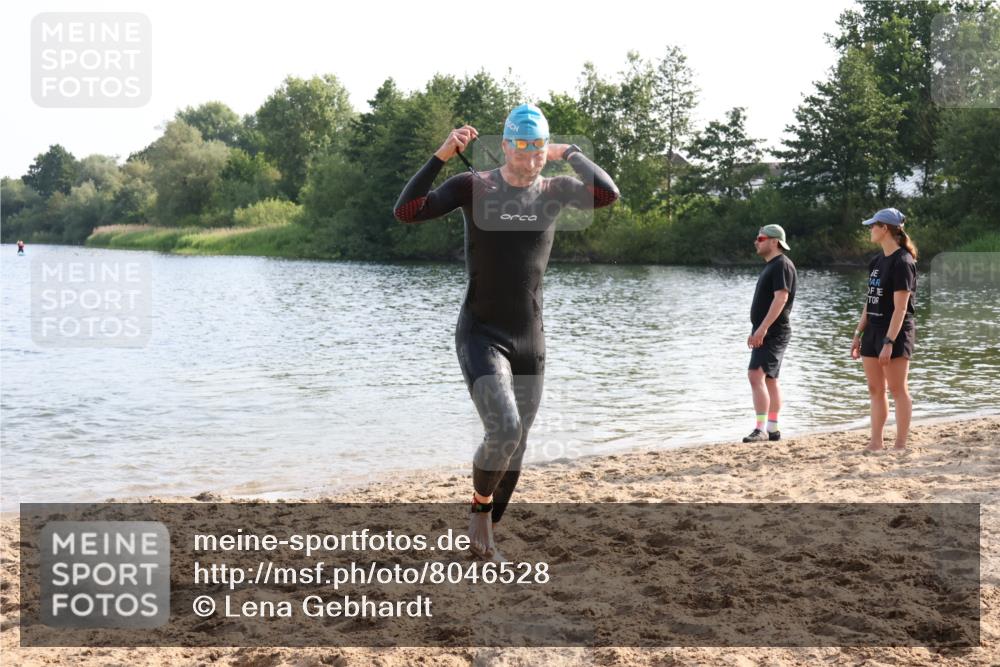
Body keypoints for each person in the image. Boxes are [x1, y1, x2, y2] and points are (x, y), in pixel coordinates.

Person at [393, 104, 619, 559]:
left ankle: (486, 524)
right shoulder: (474, 186)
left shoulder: (555, 190)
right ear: (506, 144)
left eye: (538, 146)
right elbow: (409, 210)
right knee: (505, 429)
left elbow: (607, 194)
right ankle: (479, 517)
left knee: (517, 445)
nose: (531, 154)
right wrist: (440, 155)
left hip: (529, 339)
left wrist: (571, 152)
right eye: (522, 144)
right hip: (482, 331)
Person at [850, 208, 918, 451]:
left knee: (898, 389)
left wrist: (889, 342)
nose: (870, 229)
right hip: (873, 330)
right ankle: (876, 443)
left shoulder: (903, 262)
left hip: (896, 332)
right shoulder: (876, 262)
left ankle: (900, 444)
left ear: (885, 229)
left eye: (873, 225)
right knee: (875, 389)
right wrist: (858, 334)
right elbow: (870, 301)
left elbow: (900, 309)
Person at [743, 224, 797, 443]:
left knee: (756, 375)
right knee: (770, 379)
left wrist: (762, 329)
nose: (756, 241)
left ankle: (760, 429)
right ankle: (773, 428)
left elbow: (781, 298)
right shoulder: (773, 265)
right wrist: (758, 328)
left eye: (761, 238)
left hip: (773, 332)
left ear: (775, 242)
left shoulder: (781, 265)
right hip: (770, 331)